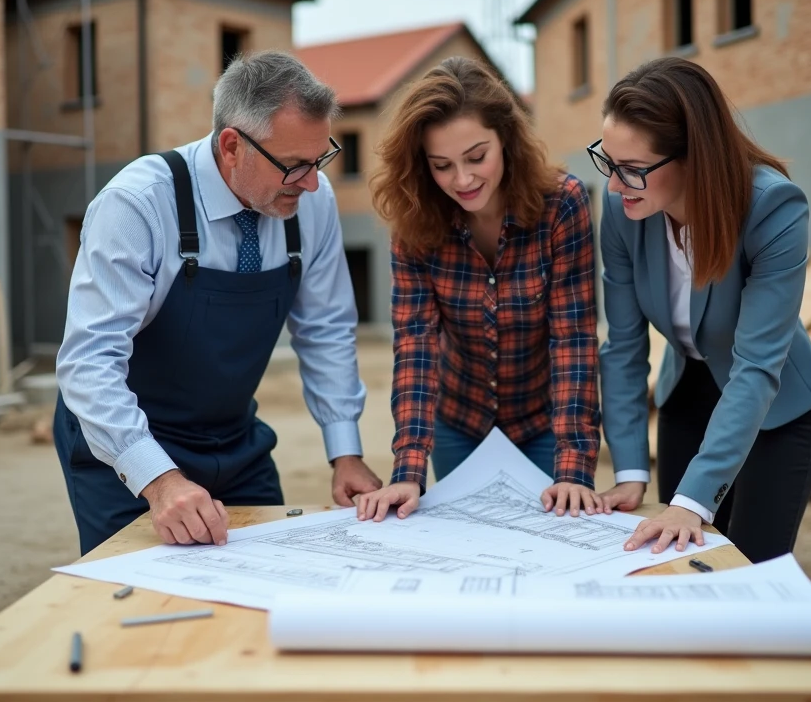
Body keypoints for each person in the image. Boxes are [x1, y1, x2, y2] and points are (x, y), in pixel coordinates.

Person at [54, 50, 382, 555]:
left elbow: (326, 329)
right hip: (126, 443)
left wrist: (346, 453)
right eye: (295, 166)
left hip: (235, 440)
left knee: (272, 575)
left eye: (321, 159)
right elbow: (88, 363)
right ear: (232, 146)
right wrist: (159, 479)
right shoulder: (137, 206)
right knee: (137, 593)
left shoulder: (311, 201)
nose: (313, 182)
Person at [591, 56, 811, 564]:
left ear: (692, 157)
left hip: (777, 406)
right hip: (688, 392)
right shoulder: (621, 210)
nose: (613, 185)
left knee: (748, 568)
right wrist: (631, 470)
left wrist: (693, 502)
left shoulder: (773, 208)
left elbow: (756, 367)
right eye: (608, 162)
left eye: (632, 171)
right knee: (680, 565)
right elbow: (624, 347)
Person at [355, 56, 601, 523]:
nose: (463, 180)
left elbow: (573, 338)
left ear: (505, 139)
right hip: (458, 421)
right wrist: (409, 469)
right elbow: (416, 344)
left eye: (476, 157)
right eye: (442, 165)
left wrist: (574, 468)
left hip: (543, 421)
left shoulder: (562, 205)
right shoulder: (414, 222)